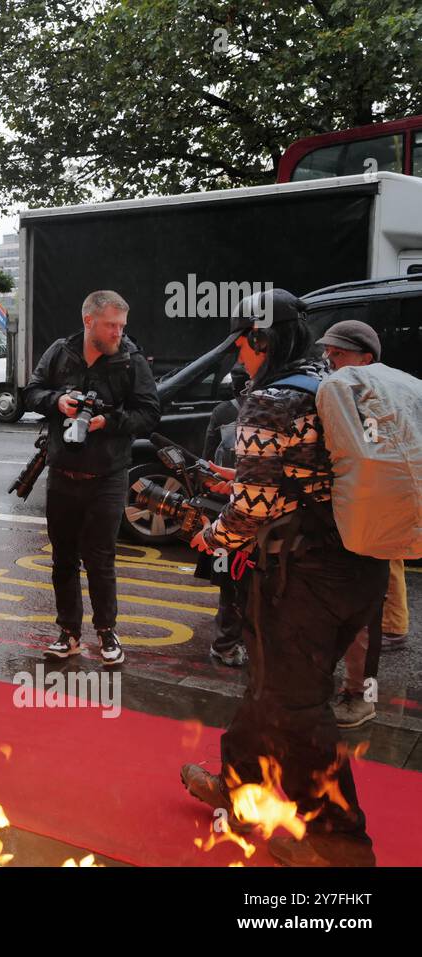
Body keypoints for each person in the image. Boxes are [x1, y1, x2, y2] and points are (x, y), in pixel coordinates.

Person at [183, 291, 389, 867]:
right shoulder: (331, 384)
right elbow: (307, 476)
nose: (239, 359)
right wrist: (242, 480)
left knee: (296, 705)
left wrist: (214, 535)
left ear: (261, 339)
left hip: (305, 579)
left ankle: (338, 840)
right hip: (361, 567)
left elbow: (253, 509)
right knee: (271, 682)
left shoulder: (273, 398)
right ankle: (236, 783)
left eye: (241, 346)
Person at [22, 290, 160, 666]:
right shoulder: (60, 352)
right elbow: (31, 393)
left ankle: (106, 632)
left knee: (100, 558)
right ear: (89, 322)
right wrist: (57, 402)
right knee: (63, 559)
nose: (118, 333)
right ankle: (68, 633)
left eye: (121, 326)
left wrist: (108, 421)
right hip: (62, 473)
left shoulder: (130, 359)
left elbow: (149, 413)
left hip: (108, 476)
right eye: (111, 325)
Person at [315, 320, 410, 729]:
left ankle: (361, 695)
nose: (329, 360)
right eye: (328, 352)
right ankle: (339, 689)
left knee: (364, 620)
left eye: (338, 353)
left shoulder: (373, 404)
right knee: (347, 614)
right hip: (349, 523)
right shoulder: (349, 396)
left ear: (366, 358)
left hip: (369, 526)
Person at [202, 365, 251, 668]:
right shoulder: (272, 407)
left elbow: (207, 455)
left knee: (226, 577)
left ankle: (225, 642)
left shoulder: (222, 412)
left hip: (223, 502)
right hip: (252, 505)